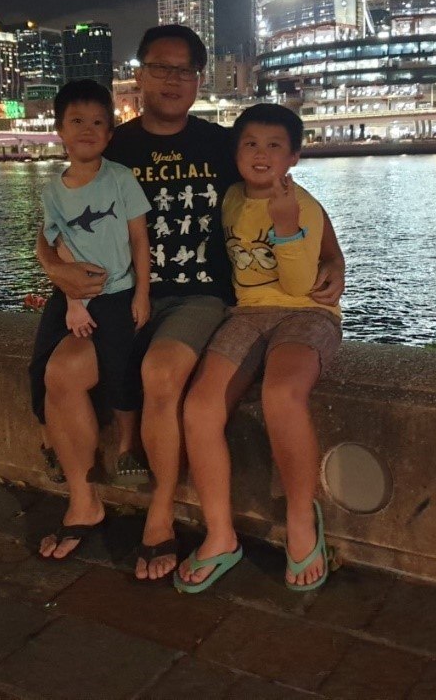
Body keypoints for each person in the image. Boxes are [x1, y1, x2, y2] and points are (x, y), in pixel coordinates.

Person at [36, 25, 345, 577]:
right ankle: (83, 501)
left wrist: (335, 263)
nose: (172, 79)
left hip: (199, 297)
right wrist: (55, 268)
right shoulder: (113, 145)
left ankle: (161, 515)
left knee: (161, 372)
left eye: (184, 70)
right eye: (160, 67)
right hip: (121, 296)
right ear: (140, 74)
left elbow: (287, 197)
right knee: (61, 373)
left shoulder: (224, 146)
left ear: (199, 79)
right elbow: (55, 221)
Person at [175, 104, 341, 593]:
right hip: (247, 314)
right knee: (200, 407)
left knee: (282, 393)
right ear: (236, 152)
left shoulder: (301, 204)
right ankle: (220, 534)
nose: (261, 154)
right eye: (250, 143)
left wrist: (286, 226)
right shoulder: (231, 196)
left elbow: (298, 284)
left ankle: (300, 518)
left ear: (294, 157)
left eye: (274, 145)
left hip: (307, 312)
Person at [28, 80, 151, 559]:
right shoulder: (53, 191)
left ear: (110, 132)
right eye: (76, 121)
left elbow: (139, 239)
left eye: (98, 122)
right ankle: (52, 442)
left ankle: (125, 446)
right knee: (42, 366)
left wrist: (142, 294)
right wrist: (71, 299)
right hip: (72, 295)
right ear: (59, 130)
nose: (87, 129)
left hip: (116, 293)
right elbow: (56, 243)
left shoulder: (119, 179)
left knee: (120, 366)